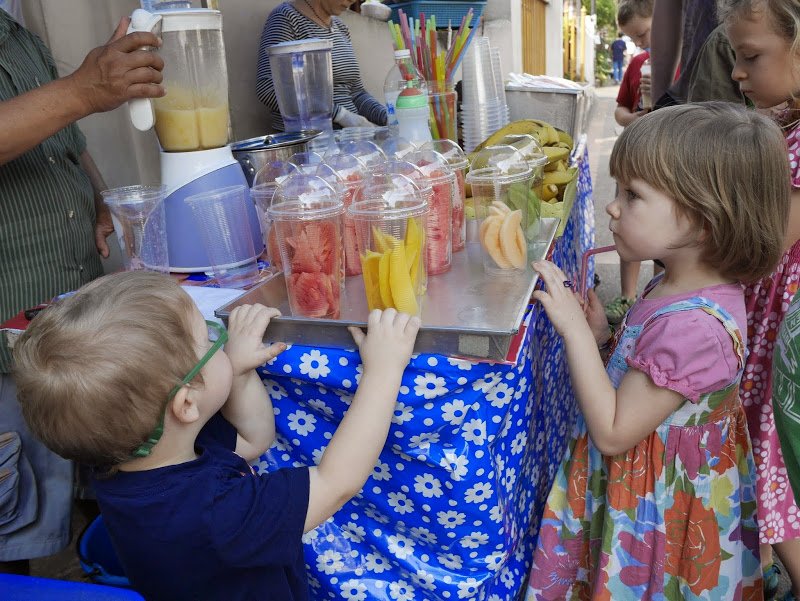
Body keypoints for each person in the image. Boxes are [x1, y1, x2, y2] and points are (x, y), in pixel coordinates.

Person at [12, 271, 420, 600]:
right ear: (186, 404)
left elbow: (254, 438)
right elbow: (337, 482)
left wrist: (234, 372)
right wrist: (384, 371)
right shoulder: (216, 513)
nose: (218, 340)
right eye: (207, 339)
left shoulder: (127, 463)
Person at [526, 102, 790, 599]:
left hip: (657, 513)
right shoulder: (674, 284)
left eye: (634, 194)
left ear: (703, 218)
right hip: (646, 486)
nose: (613, 206)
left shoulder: (695, 327)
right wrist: (605, 335)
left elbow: (613, 431)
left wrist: (575, 335)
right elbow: (646, 382)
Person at [0, 11, 164, 574]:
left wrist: (99, 195)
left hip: (62, 317)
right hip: (4, 339)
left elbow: (61, 136)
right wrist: (82, 89)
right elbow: (70, 102)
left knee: (74, 507)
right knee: (14, 542)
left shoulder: (15, 31)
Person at [721, 0, 800, 598]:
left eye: (751, 57)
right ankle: (766, 567)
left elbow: (771, 242)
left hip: (785, 332)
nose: (738, 74)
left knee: (776, 464)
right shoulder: (787, 124)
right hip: (772, 316)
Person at [256, 0, 387, 131]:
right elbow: (267, 87)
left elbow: (356, 92)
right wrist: (340, 115)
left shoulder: (340, 27)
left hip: (350, 138)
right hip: (310, 140)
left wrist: (386, 117)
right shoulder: (287, 18)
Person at [605, 0, 655, 326]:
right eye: (633, 38)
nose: (639, 42)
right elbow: (619, 110)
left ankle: (660, 294)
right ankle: (627, 297)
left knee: (664, 229)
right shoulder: (638, 63)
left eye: (642, 33)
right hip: (636, 157)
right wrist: (634, 118)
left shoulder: (680, 63)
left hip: (667, 165)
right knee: (627, 224)